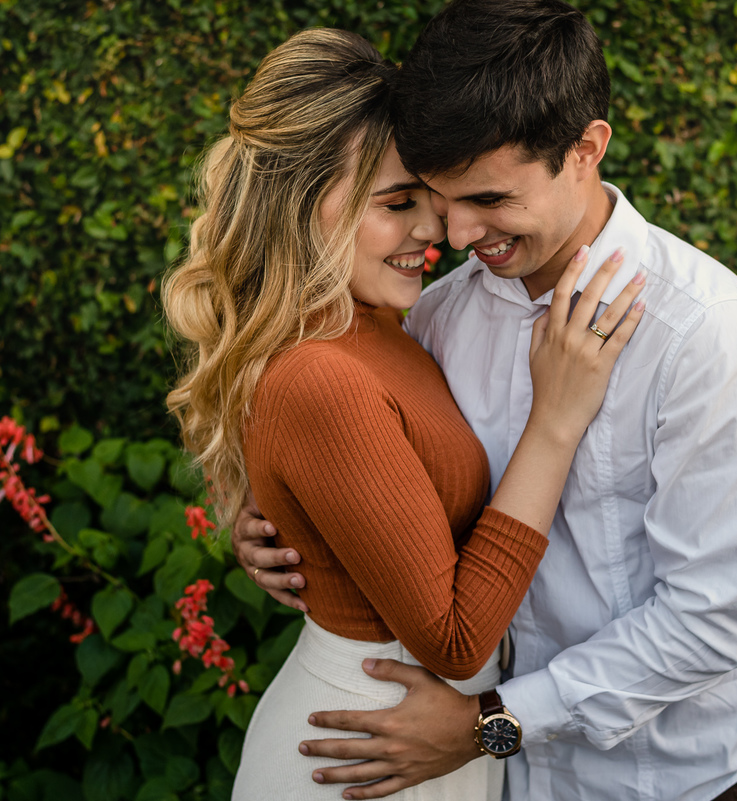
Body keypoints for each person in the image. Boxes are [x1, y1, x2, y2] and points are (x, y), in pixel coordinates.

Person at [233, 2, 737, 800]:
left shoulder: (708, 334)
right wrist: (280, 524)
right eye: (434, 195)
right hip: (506, 783)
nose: (456, 233)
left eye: (490, 199)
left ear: (586, 149)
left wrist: (489, 723)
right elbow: (377, 465)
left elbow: (709, 623)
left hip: (672, 781)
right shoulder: (438, 316)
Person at [161, 27, 645, 801]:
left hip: (418, 739)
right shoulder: (321, 371)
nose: (437, 232)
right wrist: (556, 420)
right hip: (364, 751)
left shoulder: (392, 324)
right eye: (397, 204)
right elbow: (454, 639)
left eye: (432, 198)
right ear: (300, 204)